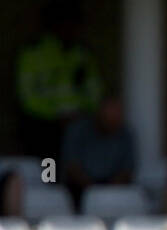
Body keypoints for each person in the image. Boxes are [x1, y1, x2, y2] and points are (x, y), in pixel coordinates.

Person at [16, 0, 103, 158]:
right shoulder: (34, 53)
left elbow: (95, 91)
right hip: (45, 126)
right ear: (53, 25)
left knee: (82, 161)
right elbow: (27, 96)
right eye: (65, 23)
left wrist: (80, 113)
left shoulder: (83, 54)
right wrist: (56, 116)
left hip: (79, 123)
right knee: (49, 168)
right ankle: (49, 181)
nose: (70, 30)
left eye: (74, 25)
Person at [61, 95, 135, 207]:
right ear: (99, 113)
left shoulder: (125, 134)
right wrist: (92, 189)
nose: (112, 122)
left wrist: (108, 190)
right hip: (80, 187)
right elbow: (72, 166)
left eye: (116, 118)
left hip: (113, 187)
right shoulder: (78, 130)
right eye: (108, 117)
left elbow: (127, 169)